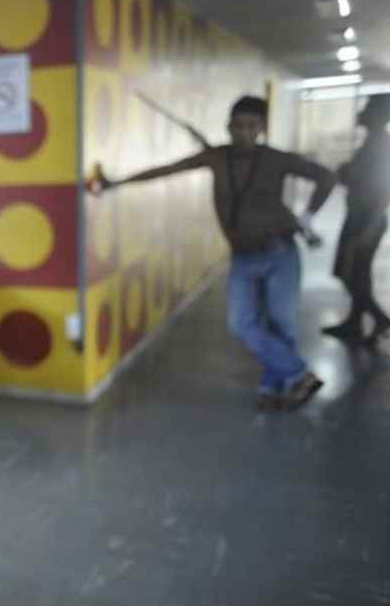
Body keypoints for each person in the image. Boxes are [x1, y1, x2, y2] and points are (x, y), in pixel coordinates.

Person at [95, 95, 337, 410]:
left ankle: (273, 386)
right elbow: (165, 169)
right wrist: (115, 183)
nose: (244, 133)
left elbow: (327, 177)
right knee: (241, 324)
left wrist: (307, 217)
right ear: (228, 126)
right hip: (242, 256)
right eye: (238, 126)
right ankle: (298, 374)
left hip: (280, 252)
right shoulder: (216, 157)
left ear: (262, 129)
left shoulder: (276, 159)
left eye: (252, 126)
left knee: (281, 326)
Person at [322, 94, 390, 344]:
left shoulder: (381, 145)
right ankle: (354, 322)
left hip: (367, 220)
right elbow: (358, 178)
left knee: (352, 274)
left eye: (369, 108)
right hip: (358, 217)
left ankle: (380, 318)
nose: (363, 112)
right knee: (356, 273)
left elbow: (383, 190)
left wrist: (369, 228)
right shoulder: (371, 143)